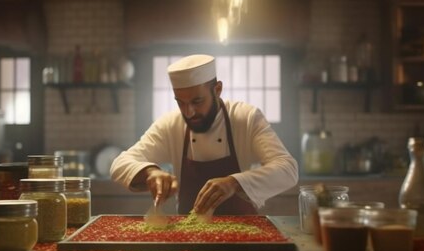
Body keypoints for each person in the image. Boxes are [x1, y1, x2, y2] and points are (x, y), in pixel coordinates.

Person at [110, 54, 298, 215]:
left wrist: (233, 183)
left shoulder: (246, 118)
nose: (189, 112)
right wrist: (150, 172)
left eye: (197, 101)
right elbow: (120, 164)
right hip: (188, 240)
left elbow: (288, 169)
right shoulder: (171, 124)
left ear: (217, 90)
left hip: (244, 237)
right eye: (181, 103)